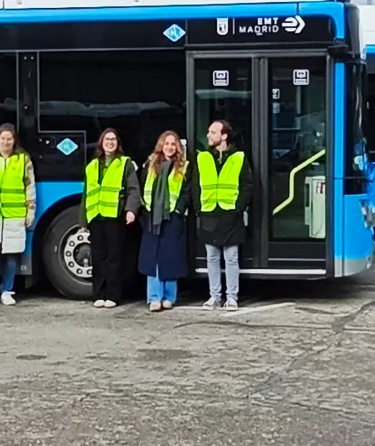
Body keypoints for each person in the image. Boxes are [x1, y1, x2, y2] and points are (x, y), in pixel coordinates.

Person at [82, 127, 140, 310]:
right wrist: (83, 220)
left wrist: (131, 210)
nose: (110, 142)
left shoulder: (125, 163)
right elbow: (86, 194)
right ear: (101, 143)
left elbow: (133, 189)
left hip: (115, 217)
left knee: (114, 258)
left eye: (113, 139)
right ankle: (98, 295)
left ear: (118, 143)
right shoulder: (92, 166)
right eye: (107, 139)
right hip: (96, 217)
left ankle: (113, 296)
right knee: (97, 257)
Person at [198, 114, 250, 310]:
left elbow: (247, 185)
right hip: (209, 212)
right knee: (212, 258)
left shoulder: (239, 157)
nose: (208, 135)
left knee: (231, 258)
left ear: (224, 136)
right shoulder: (202, 157)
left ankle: (232, 297)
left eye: (213, 132)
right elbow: (195, 185)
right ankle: (214, 296)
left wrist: (239, 208)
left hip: (230, 213)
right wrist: (198, 208)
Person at [139, 132, 195, 311]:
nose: (169, 147)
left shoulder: (184, 167)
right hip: (152, 218)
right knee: (153, 258)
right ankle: (154, 297)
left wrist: (178, 211)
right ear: (161, 145)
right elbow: (142, 187)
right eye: (166, 143)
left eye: (173, 144)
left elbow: (187, 192)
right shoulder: (150, 165)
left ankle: (169, 296)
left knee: (171, 257)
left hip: (172, 217)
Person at [0, 121, 35, 306]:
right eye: (3, 138)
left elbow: (29, 186)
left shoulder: (23, 159)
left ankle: (7, 290)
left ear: (14, 141)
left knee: (11, 256)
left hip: (15, 214)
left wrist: (30, 210)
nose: (6, 142)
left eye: (9, 139)